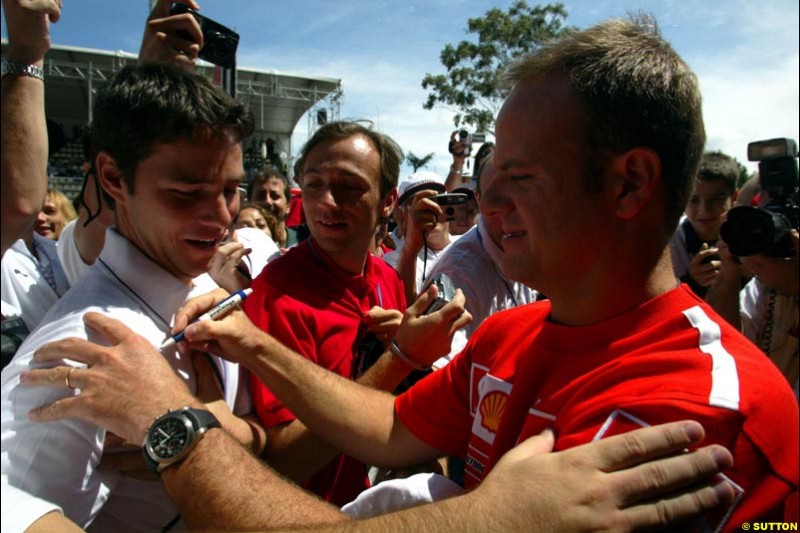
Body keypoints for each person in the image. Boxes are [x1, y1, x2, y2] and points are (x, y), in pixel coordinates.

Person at [166, 14, 794, 529]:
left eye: (520, 179)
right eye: (490, 181)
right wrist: (251, 342)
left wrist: (170, 429)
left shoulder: (701, 410)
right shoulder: (509, 334)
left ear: (628, 183)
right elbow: (389, 428)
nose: (486, 208)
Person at [1, 61, 265, 532]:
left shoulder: (209, 292)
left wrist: (200, 444)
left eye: (231, 189)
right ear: (115, 179)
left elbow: (249, 431)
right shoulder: (76, 353)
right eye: (186, 193)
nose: (220, 216)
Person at [242, 121, 442, 506]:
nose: (326, 202)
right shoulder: (277, 296)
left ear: (387, 202)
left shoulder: (386, 276)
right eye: (314, 184)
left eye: (349, 188)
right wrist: (400, 360)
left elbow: (393, 403)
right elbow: (283, 463)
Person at [422, 155, 538, 371]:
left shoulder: (523, 248)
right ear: (479, 199)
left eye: (521, 192)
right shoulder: (460, 276)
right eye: (495, 197)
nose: (508, 210)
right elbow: (437, 377)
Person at [0, 0, 60, 258]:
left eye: (50, 210)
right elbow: (19, 206)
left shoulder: (59, 256)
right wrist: (27, 52)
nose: (41, 217)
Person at [669, 151, 739, 297]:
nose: (704, 210)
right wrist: (692, 282)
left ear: (734, 197)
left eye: (716, 199)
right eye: (694, 200)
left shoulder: (750, 237)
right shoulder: (668, 241)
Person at [383, 171, 455, 303]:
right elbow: (405, 306)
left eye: (437, 199)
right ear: (402, 214)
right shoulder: (392, 259)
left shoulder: (467, 245)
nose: (430, 208)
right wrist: (411, 249)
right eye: (419, 203)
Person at [249, 165, 298, 247]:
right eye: (260, 196)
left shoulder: (304, 241)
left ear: (288, 206)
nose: (268, 201)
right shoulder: (239, 243)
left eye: (275, 196)